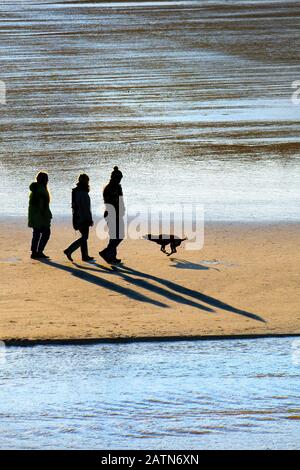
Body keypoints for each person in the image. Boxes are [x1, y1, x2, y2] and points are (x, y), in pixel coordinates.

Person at [64, 174, 94, 262]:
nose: (88, 182)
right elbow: (85, 208)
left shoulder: (76, 192)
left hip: (77, 217)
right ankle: (69, 250)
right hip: (83, 218)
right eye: (87, 181)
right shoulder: (83, 193)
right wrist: (89, 219)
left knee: (84, 236)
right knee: (84, 237)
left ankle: (85, 255)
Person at [99, 166, 125, 264]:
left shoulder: (118, 187)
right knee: (117, 236)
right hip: (112, 215)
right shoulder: (109, 188)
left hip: (118, 214)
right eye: (118, 178)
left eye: (120, 178)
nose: (120, 180)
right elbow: (110, 203)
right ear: (114, 178)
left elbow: (120, 201)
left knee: (116, 236)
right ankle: (106, 252)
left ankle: (111, 256)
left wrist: (122, 211)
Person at [28, 172, 52, 259]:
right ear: (44, 180)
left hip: (34, 216)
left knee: (36, 234)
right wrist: (47, 215)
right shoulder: (41, 190)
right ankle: (39, 251)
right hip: (40, 217)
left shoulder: (35, 189)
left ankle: (34, 252)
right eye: (47, 178)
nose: (48, 180)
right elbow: (42, 206)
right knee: (46, 233)